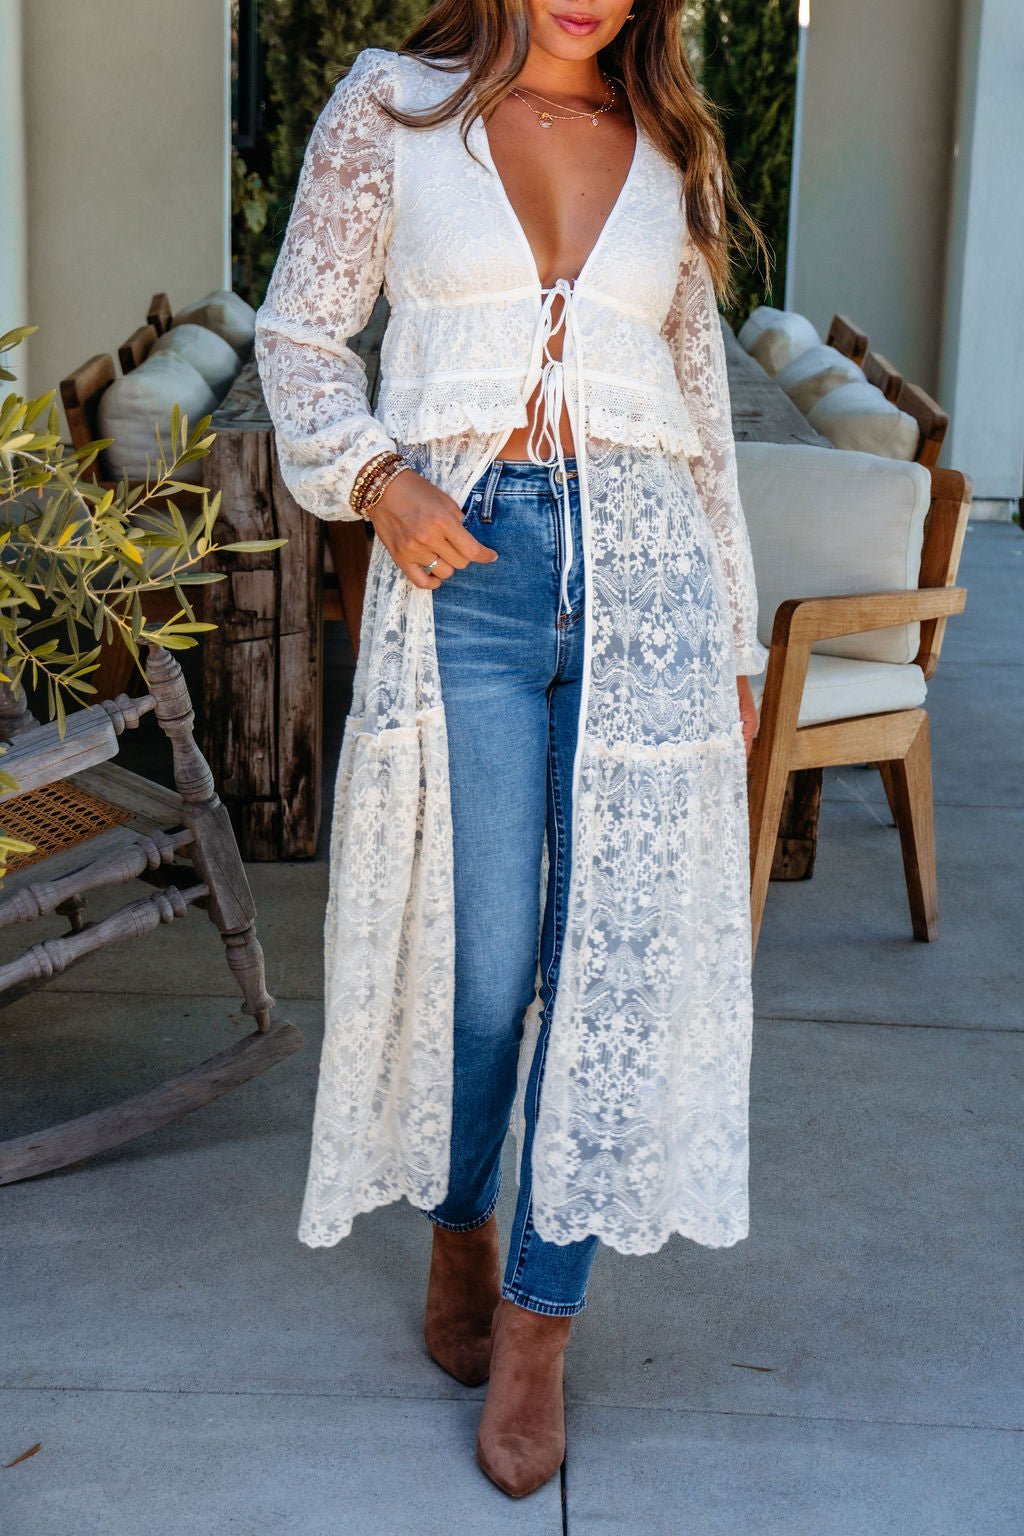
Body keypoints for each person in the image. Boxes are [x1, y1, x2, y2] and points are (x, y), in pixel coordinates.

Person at [254, 0, 771, 1500]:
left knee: (608, 959)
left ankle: (543, 1321)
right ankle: (461, 1218)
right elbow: (300, 334)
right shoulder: (395, 109)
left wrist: (731, 640)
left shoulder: (669, 144)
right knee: (484, 964)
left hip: (650, 574)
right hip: (464, 570)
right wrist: (377, 482)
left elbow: (703, 414)